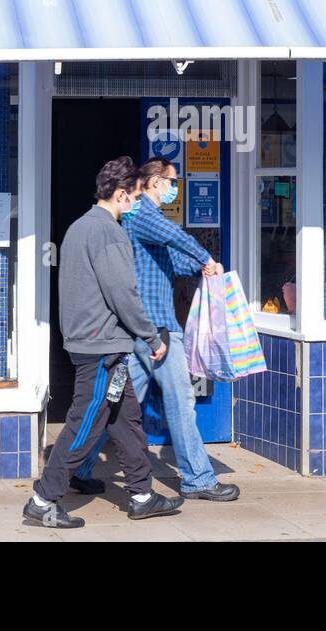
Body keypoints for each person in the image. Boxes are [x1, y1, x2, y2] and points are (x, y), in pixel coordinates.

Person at [23, 156, 183, 529]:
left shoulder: (79, 226)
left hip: (93, 341)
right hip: (101, 347)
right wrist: (149, 335)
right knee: (84, 423)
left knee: (125, 420)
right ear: (122, 194)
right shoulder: (110, 233)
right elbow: (122, 294)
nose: (137, 205)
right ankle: (42, 499)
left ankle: (142, 495)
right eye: (135, 197)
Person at [71, 158, 241, 502]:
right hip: (157, 329)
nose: (175, 188)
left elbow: (168, 259)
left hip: (140, 332)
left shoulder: (138, 219)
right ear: (154, 183)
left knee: (113, 402)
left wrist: (198, 268)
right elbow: (174, 237)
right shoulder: (144, 213)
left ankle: (80, 467)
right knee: (181, 401)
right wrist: (207, 259)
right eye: (172, 181)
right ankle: (199, 479)